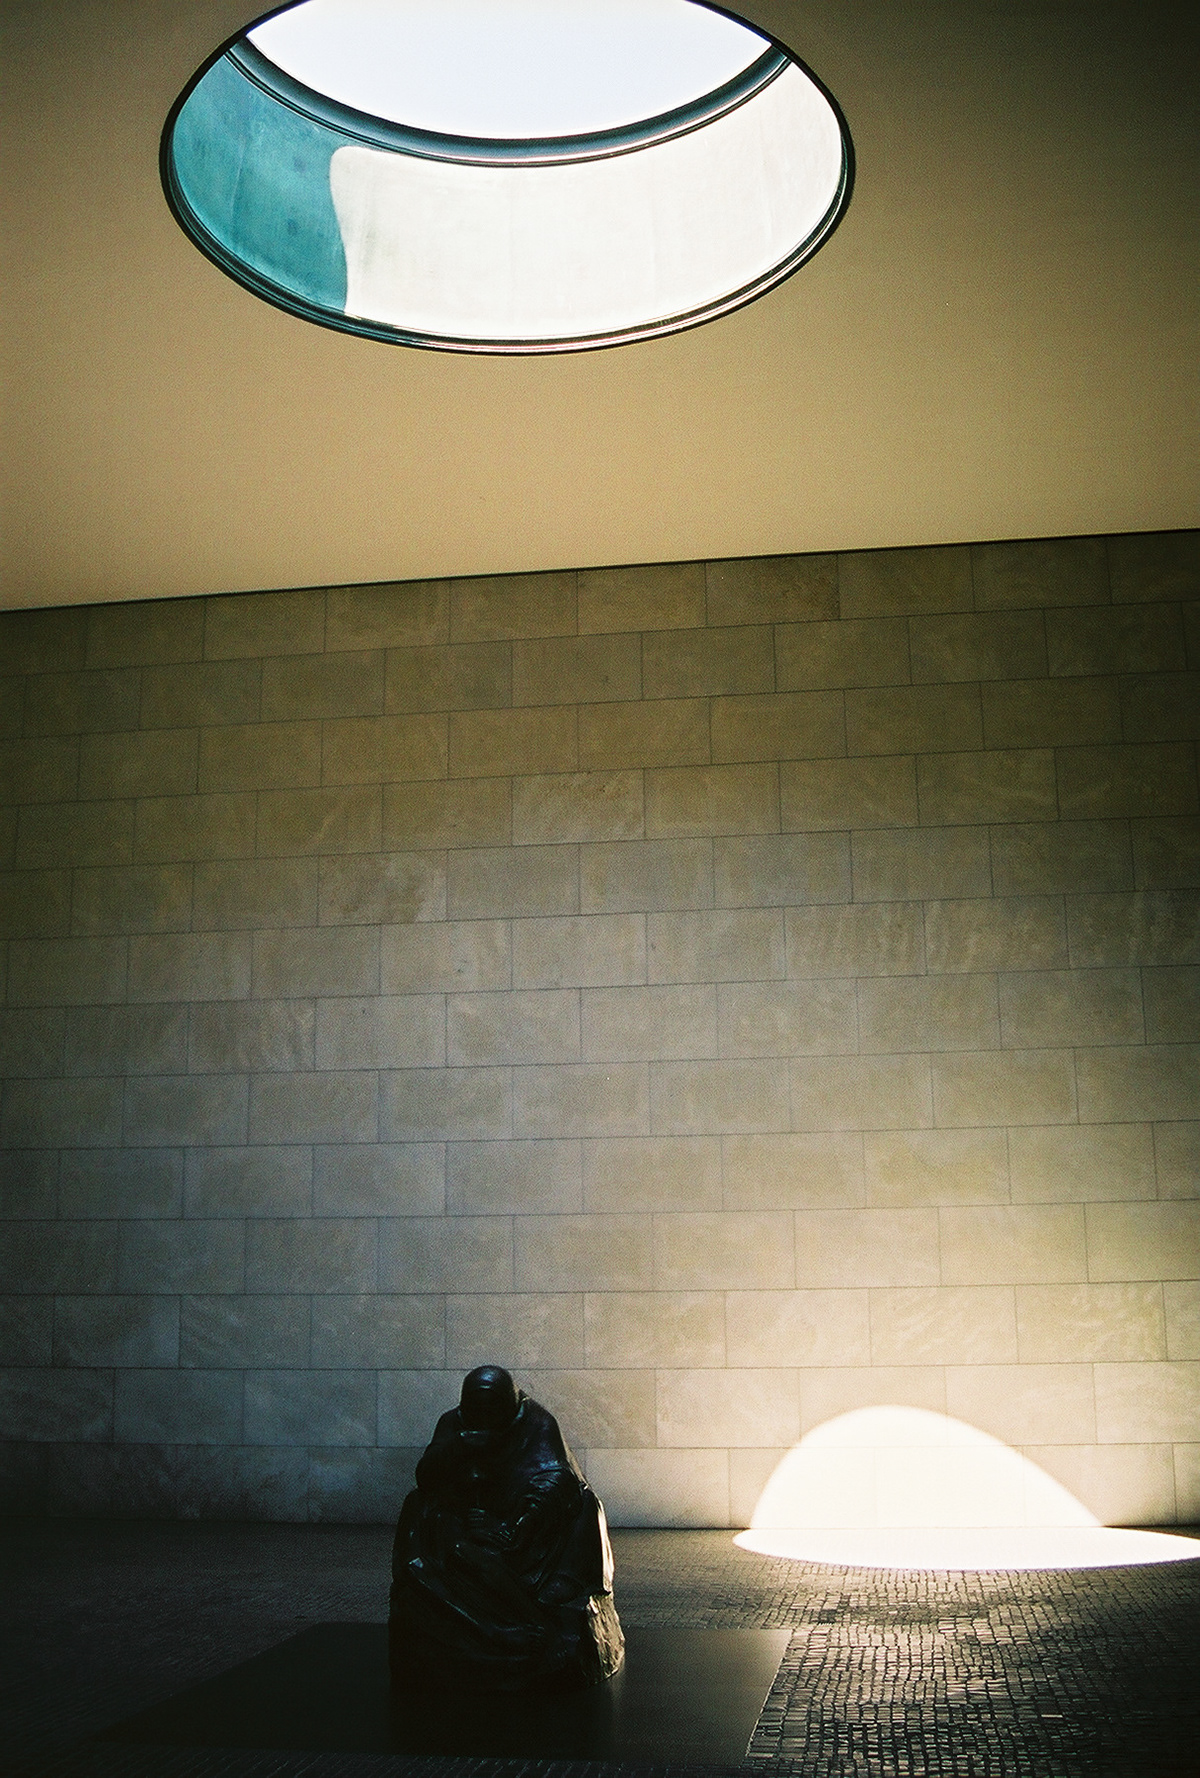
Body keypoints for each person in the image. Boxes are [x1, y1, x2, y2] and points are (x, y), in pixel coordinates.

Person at [389, 1365, 624, 1692]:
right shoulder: (453, 1425)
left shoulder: (537, 1423)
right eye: (476, 1409)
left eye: (492, 1408)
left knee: (585, 1507)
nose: (483, 1417)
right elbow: (428, 1478)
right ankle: (501, 1627)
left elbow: (558, 1478)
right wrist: (460, 1448)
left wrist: (519, 1525)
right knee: (424, 1516)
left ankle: (549, 1611)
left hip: (527, 1526)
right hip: (470, 1524)